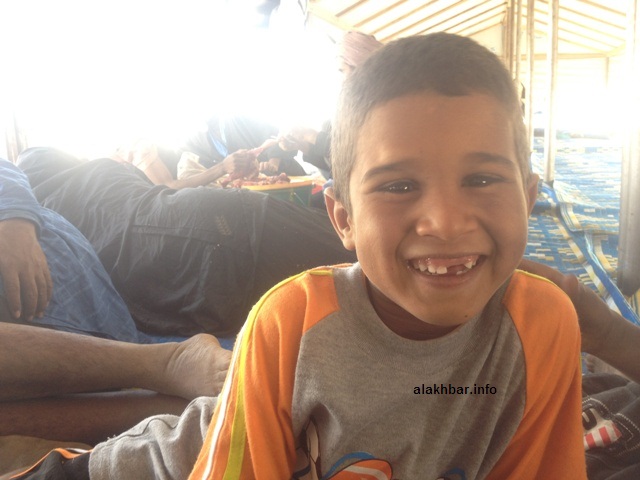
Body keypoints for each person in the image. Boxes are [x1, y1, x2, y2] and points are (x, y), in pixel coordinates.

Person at [189, 33, 586, 478]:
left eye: (481, 180)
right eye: (399, 186)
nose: (446, 223)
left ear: (528, 199)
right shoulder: (289, 327)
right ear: (344, 219)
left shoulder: (542, 326)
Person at [16, 147, 357, 338]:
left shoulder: (46, 219)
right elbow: (166, 191)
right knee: (365, 268)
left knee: (342, 319)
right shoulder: (92, 173)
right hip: (217, 224)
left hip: (180, 288)